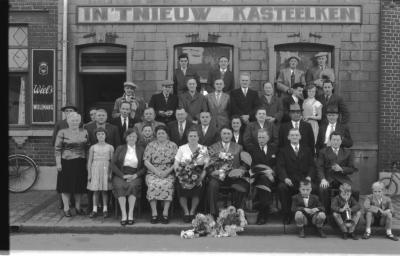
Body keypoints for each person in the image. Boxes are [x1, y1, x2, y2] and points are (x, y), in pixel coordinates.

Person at [277, 128, 317, 224]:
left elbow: (312, 166)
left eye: (296, 135)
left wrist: (309, 177)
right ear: (288, 137)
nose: (294, 137)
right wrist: (285, 178)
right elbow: (280, 166)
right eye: (292, 135)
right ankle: (287, 215)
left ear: (300, 137)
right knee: (282, 187)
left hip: (304, 179)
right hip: (289, 180)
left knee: (315, 188)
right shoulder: (283, 151)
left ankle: (313, 215)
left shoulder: (307, 150)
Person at [206, 127, 248, 219]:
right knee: (212, 185)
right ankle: (213, 213)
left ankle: (237, 213)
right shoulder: (213, 147)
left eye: (228, 134)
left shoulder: (238, 147)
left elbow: (244, 164)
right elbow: (208, 163)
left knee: (242, 186)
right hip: (218, 177)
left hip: (233, 177)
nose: (226, 136)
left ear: (232, 135)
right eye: (224, 133)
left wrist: (240, 171)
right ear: (221, 135)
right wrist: (212, 172)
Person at [54, 112, 89, 217]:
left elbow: (87, 147)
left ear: (80, 121)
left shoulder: (85, 131)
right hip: (66, 162)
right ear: (68, 121)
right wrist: (58, 163)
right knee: (66, 186)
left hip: (81, 162)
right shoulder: (62, 132)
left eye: (77, 120)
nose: (75, 122)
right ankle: (66, 208)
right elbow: (57, 148)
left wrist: (88, 162)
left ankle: (78, 207)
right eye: (73, 120)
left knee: (79, 186)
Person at [110, 128, 146, 226]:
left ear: (137, 138)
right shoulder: (120, 148)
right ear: (126, 138)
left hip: (135, 174)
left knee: (133, 186)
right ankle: (124, 214)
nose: (132, 138)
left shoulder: (141, 149)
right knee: (120, 186)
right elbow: (113, 164)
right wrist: (123, 175)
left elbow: (144, 167)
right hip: (121, 174)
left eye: (134, 136)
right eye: (130, 136)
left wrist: (136, 175)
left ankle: (130, 214)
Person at [144, 125, 178, 224]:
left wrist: (167, 172)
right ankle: (154, 213)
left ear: (167, 134)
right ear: (156, 134)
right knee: (152, 185)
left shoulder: (173, 145)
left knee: (167, 185)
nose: (161, 135)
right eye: (159, 133)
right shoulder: (150, 145)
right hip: (153, 172)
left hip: (169, 172)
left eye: (163, 133)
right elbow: (146, 161)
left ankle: (165, 213)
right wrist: (157, 172)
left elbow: (177, 162)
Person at [317, 131, 358, 212]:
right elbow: (319, 167)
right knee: (322, 189)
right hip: (328, 178)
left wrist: (342, 169)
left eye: (338, 140)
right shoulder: (323, 151)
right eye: (334, 140)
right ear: (330, 141)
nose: (336, 142)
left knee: (355, 190)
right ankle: (325, 213)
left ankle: (352, 212)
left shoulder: (348, 152)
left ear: (341, 141)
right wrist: (322, 179)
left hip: (342, 178)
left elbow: (352, 169)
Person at [174, 128, 209, 223]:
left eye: (195, 136)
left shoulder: (203, 148)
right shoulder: (182, 148)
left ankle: (192, 211)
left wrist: (201, 177)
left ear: (198, 137)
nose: (193, 138)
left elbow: (206, 165)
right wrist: (179, 175)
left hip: (198, 173)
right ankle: (186, 212)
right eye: (190, 136)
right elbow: (176, 163)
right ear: (187, 137)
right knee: (180, 187)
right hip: (183, 173)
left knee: (197, 188)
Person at [248, 129, 278, 225]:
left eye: (263, 137)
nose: (261, 139)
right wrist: (265, 172)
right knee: (263, 181)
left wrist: (272, 173)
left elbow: (278, 164)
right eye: (259, 137)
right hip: (258, 178)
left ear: (268, 138)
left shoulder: (274, 148)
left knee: (265, 182)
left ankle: (263, 213)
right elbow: (252, 166)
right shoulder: (253, 150)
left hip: (274, 178)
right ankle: (264, 213)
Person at [52, 104, 79, 209]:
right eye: (67, 111)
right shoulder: (60, 124)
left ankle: (73, 201)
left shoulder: (78, 123)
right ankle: (62, 203)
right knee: (63, 180)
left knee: (74, 179)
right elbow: (55, 141)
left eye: (71, 110)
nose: (69, 112)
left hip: (76, 156)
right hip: (63, 156)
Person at [86, 127, 114, 219]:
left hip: (106, 168)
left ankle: (105, 209)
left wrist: (110, 173)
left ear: (106, 135)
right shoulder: (93, 147)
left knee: (104, 191)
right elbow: (90, 161)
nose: (101, 136)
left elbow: (112, 161)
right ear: (96, 136)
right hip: (95, 169)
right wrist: (89, 174)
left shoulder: (110, 147)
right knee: (96, 191)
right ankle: (94, 210)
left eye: (102, 134)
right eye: (98, 134)